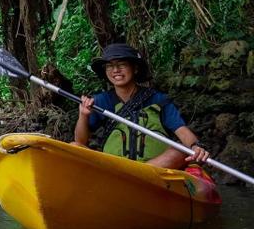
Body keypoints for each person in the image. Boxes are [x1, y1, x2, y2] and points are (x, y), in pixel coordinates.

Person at [73, 42, 210, 169]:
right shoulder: (100, 101)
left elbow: (182, 130)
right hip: (114, 168)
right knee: (74, 146)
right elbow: (81, 141)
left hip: (153, 169)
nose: (115, 70)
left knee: (181, 151)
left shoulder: (158, 100)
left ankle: (136, 173)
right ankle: (126, 176)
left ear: (135, 68)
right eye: (109, 66)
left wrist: (195, 146)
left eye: (122, 64)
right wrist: (83, 115)